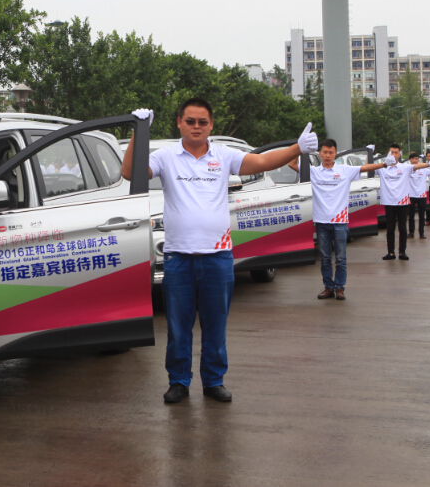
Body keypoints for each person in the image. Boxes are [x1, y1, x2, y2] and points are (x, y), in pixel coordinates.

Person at [121, 98, 318, 405]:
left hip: (218, 257)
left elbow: (263, 162)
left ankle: (213, 381)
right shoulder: (166, 156)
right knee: (178, 325)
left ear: (211, 125)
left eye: (202, 122)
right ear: (179, 123)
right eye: (190, 121)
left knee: (215, 324)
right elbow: (130, 173)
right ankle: (179, 381)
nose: (196, 127)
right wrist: (138, 131)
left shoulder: (224, 156)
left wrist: (297, 149)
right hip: (177, 257)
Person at [308, 140, 387, 301]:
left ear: (336, 153)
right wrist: (300, 148)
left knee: (341, 258)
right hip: (321, 222)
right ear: (320, 154)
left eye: (331, 152)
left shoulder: (345, 170)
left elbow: (365, 168)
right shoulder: (314, 171)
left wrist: (384, 164)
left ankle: (340, 288)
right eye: (325, 152)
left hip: (340, 221)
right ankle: (328, 287)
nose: (328, 155)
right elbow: (291, 164)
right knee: (324, 258)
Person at [376, 144, 430, 260]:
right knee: (390, 229)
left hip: (402, 202)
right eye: (391, 152)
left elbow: (417, 166)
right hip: (389, 202)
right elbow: (368, 167)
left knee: (402, 228)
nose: (394, 155)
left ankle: (402, 252)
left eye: (396, 152)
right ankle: (391, 252)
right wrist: (370, 154)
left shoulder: (405, 167)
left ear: (400, 154)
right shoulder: (382, 168)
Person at [407, 153, 430, 240]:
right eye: (412, 159)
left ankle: (422, 232)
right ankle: (411, 232)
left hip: (421, 196)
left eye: (416, 159)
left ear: (418, 160)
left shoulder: (424, 169)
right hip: (411, 196)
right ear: (410, 160)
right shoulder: (407, 169)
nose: (414, 160)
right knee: (411, 215)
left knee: (421, 215)